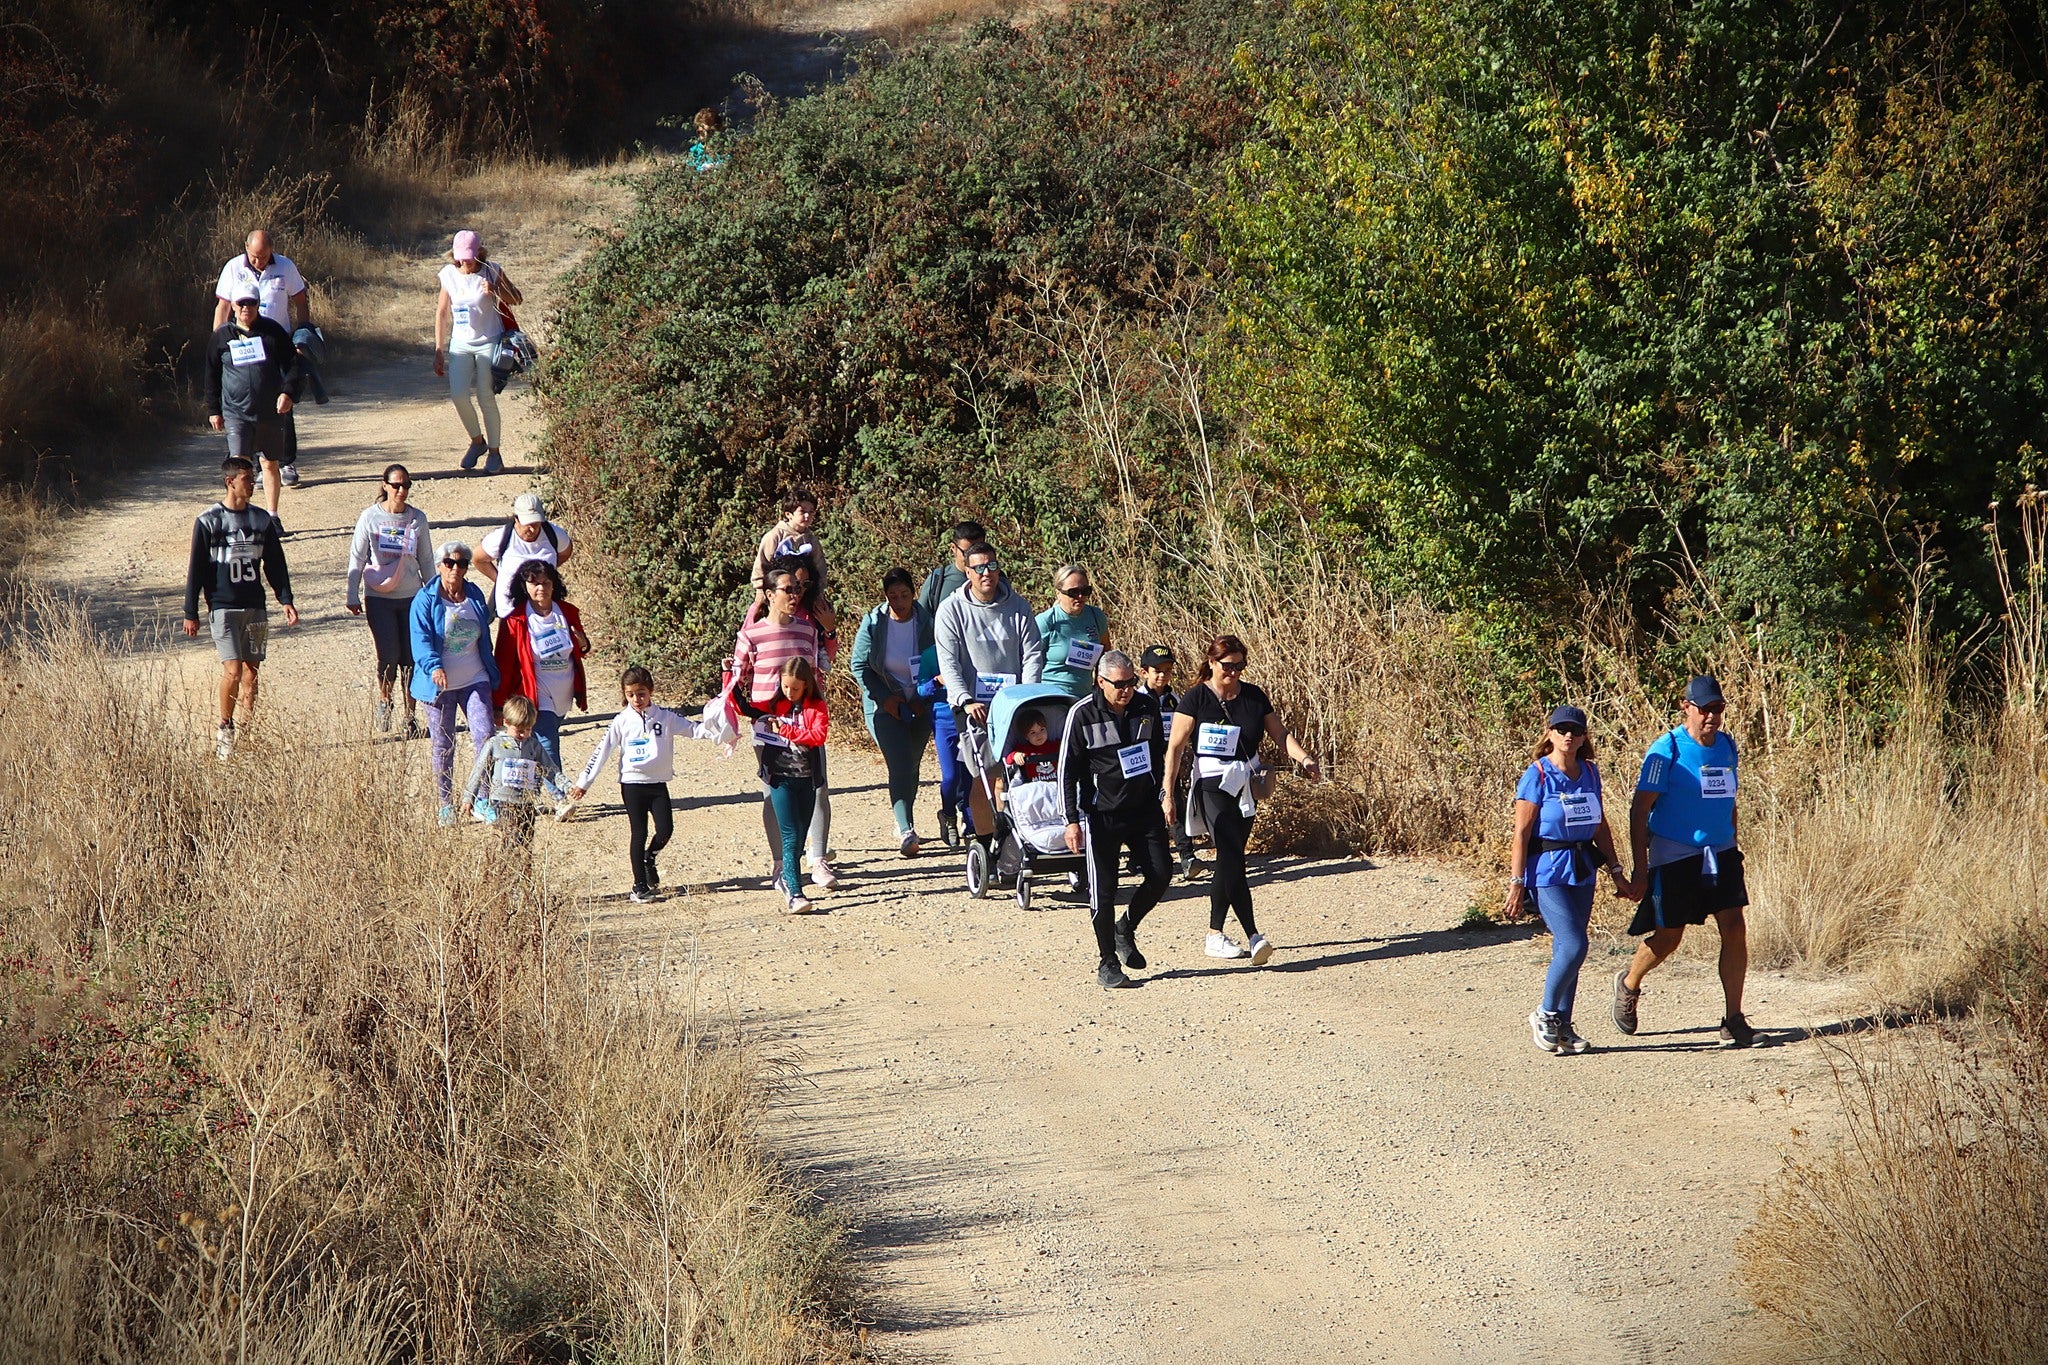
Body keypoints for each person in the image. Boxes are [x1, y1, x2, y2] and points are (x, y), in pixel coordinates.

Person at [1615, 675, 1757, 1048]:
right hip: (1675, 853)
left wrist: (1733, 843)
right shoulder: (1667, 751)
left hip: (1720, 852)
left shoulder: (1727, 746)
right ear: (1686, 707)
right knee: (1669, 936)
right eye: (1705, 709)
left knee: (1734, 927)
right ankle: (1629, 983)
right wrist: (1640, 868)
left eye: (1718, 709)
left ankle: (1733, 1019)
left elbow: (1730, 801)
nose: (1712, 716)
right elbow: (1639, 808)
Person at [1163, 635, 1321, 966]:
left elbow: (1280, 734)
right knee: (1233, 855)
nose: (1233, 672)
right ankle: (1254, 935)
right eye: (1227, 666)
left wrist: (1304, 759)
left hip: (1245, 784)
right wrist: (1168, 793)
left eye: (1239, 666)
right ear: (1211, 662)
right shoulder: (1195, 699)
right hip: (1211, 783)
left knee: (1229, 860)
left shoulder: (1253, 696)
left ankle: (1214, 935)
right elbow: (1175, 749)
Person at [1505, 705, 1635, 1054]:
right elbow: (1521, 833)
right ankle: (1544, 1013)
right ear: (1549, 734)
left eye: (1575, 731)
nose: (1568, 736)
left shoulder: (1590, 772)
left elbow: (1600, 824)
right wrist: (1517, 884)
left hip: (1582, 868)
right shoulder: (1538, 775)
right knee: (1576, 944)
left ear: (1583, 738)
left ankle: (1563, 1025)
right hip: (1547, 870)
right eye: (1561, 729)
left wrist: (1616, 870)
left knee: (1568, 950)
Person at [1061, 651, 1174, 989]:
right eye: (1119, 685)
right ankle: (1107, 961)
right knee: (1104, 891)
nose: (1126, 690)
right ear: (1100, 682)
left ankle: (1126, 927)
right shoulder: (1082, 714)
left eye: (1130, 683)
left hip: (1143, 808)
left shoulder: (1146, 707)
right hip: (1102, 815)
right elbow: (1067, 770)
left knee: (1161, 874)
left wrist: (1164, 793)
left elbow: (1158, 752)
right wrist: (1070, 819)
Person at [181, 456, 298, 760]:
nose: (252, 483)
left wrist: (285, 599)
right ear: (230, 482)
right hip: (223, 608)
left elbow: (275, 563)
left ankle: (247, 730)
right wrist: (190, 611)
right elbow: (196, 569)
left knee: (251, 672)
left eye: (252, 477)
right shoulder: (208, 521)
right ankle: (225, 727)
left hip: (255, 607)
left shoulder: (261, 520)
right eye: (247, 478)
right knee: (232, 671)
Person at [934, 542, 1046, 839]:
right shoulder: (951, 609)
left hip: (1013, 703)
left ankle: (1016, 838)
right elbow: (948, 661)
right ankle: (985, 843)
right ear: (968, 572)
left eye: (992, 566)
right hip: (973, 706)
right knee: (981, 778)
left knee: (1013, 774)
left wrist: (1028, 694)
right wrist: (965, 699)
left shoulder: (1018, 606)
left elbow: (1033, 653)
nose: (987, 573)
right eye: (980, 568)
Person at [570, 666, 710, 903]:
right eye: (631, 694)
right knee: (639, 832)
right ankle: (639, 886)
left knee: (665, 830)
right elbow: (601, 752)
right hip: (632, 784)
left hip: (657, 784)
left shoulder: (665, 717)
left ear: (651, 691)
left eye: (642, 693)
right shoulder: (621, 721)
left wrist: (723, 731)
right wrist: (584, 782)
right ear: (624, 694)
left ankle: (650, 857)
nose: (637, 699)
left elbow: (695, 729)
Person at [736, 564, 836, 889]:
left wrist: (829, 634)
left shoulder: (808, 631)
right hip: (768, 728)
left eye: (797, 589)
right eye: (787, 589)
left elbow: (821, 670)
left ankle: (818, 860)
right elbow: (739, 679)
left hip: (806, 723)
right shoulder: (750, 634)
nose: (794, 595)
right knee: (774, 794)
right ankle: (781, 865)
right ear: (769, 594)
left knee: (817, 788)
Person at [409, 541, 499, 824]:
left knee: (485, 736)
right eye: (449, 563)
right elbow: (420, 640)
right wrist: (434, 667)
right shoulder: (425, 600)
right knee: (443, 742)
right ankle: (445, 803)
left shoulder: (473, 593)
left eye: (461, 563)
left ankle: (481, 799)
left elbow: (484, 632)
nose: (455, 568)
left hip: (475, 677)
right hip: (438, 685)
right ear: (439, 566)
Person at [733, 657, 831, 914]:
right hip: (781, 780)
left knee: (799, 838)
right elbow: (742, 706)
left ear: (806, 685)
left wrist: (786, 731)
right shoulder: (775, 705)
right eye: (785, 687)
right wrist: (730, 675)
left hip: (807, 780)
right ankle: (795, 893)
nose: (790, 693)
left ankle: (788, 877)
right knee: (789, 837)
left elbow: (818, 736)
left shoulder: (816, 706)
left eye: (795, 688)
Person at [849, 567, 936, 855]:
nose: (899, 602)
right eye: (892, 596)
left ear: (913, 593)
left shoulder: (927, 621)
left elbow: (938, 659)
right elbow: (859, 665)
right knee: (899, 762)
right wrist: (886, 698)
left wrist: (922, 698)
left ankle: (904, 818)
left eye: (904, 595)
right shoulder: (874, 622)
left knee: (912, 765)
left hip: (920, 702)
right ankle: (906, 828)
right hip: (884, 705)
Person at [212, 229, 310, 484]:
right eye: (255, 256)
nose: (259, 261)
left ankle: (286, 462)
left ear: (272, 250)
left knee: (281, 405)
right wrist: (218, 342)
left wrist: (303, 335)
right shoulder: (233, 268)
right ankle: (248, 463)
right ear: (246, 248)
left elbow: (300, 300)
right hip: (241, 346)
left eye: (264, 256)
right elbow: (222, 307)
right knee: (242, 405)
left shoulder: (286, 267)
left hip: (274, 345)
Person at [346, 463, 435, 734]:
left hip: (412, 598)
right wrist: (351, 593)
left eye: (406, 485)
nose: (401, 490)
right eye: (396, 485)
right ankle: (386, 701)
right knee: (388, 655)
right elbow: (358, 557)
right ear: (384, 485)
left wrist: (433, 598)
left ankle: (410, 716)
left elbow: (427, 560)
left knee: (411, 658)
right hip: (379, 598)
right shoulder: (369, 517)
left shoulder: (417, 518)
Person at [204, 293, 300, 527]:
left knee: (269, 464)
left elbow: (294, 366)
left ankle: (272, 517)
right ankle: (241, 516)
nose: (246, 308)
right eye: (241, 303)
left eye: (251, 303)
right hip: (236, 412)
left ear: (258, 305)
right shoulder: (221, 336)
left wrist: (288, 393)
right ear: (233, 306)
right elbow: (211, 374)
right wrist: (213, 409)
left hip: (270, 412)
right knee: (240, 465)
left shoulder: (272, 331)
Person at [433, 230, 523, 473]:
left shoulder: (491, 269)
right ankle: (477, 442)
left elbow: (517, 298)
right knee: (459, 396)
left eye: (470, 256)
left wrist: (496, 290)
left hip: (489, 340)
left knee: (486, 396)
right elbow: (442, 313)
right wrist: (439, 348)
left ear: (479, 252)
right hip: (460, 344)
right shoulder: (448, 274)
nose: (465, 262)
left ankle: (495, 453)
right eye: (461, 257)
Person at [492, 561, 589, 782]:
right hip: (535, 694)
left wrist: (584, 645)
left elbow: (579, 648)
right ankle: (560, 796)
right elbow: (504, 664)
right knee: (548, 743)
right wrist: (498, 705)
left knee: (538, 745)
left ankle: (529, 792)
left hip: (564, 692)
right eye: (534, 583)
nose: (540, 588)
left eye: (545, 582)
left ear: (554, 584)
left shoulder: (568, 612)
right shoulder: (514, 621)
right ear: (524, 586)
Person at [462, 694, 566, 857]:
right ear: (506, 722)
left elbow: (550, 769)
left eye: (528, 729)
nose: (524, 735)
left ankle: (525, 877)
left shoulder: (534, 745)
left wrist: (566, 785)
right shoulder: (494, 744)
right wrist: (468, 798)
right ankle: (506, 875)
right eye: (519, 730)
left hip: (527, 802)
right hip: (503, 802)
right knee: (511, 840)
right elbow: (479, 770)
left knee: (526, 843)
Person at [1137, 644, 1204, 880]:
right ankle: (1138, 858)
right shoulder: (1136, 700)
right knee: (1141, 811)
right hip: (1142, 765)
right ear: (1144, 672)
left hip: (1168, 763)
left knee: (1172, 805)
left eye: (1167, 669)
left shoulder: (1175, 700)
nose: (1163, 675)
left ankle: (1187, 857)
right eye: (1157, 670)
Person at [474, 492, 573, 620]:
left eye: (536, 523)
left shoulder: (554, 535)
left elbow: (566, 552)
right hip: (512, 613)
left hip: (545, 612)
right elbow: (478, 559)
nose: (532, 529)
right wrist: (502, 580)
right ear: (516, 519)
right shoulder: (501, 537)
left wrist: (547, 571)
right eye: (528, 524)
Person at [1036, 564, 1110, 697]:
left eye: (1085, 591)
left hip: (1085, 697)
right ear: (1058, 593)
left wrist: (1100, 688)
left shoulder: (1096, 616)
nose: (1080, 596)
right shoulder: (1046, 622)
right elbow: (1031, 662)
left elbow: (1106, 654)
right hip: (1051, 696)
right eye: (1073, 592)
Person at [750, 490, 827, 607]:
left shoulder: (812, 540)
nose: (807, 516)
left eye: (811, 512)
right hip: (777, 596)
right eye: (802, 511)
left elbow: (820, 567)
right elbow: (762, 563)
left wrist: (819, 593)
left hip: (804, 598)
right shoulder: (775, 536)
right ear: (788, 514)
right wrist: (760, 590)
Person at [917, 519, 986, 617]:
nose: (973, 557)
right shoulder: (938, 580)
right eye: (967, 553)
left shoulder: (994, 578)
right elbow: (921, 622)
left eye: (978, 551)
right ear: (953, 548)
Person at [1005, 710, 1059, 783]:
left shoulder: (1055, 746)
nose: (1039, 735)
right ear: (1026, 736)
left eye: (1042, 729)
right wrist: (1015, 755)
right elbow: (1008, 761)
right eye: (1033, 732)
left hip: (1055, 786)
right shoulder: (1023, 750)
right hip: (1033, 788)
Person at [688, 107, 727, 172]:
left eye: (709, 131)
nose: (705, 136)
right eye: (700, 132)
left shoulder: (725, 151)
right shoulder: (694, 152)